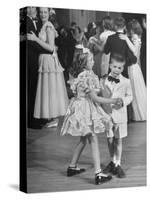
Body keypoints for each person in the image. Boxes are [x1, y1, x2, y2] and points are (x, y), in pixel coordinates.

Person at [60, 47, 122, 185]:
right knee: (93, 139)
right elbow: (96, 98)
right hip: (85, 109)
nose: (94, 62)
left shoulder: (82, 74)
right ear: (84, 63)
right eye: (91, 60)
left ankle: (72, 166)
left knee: (84, 138)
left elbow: (91, 93)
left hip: (80, 106)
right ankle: (98, 173)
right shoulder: (87, 76)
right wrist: (113, 100)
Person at [27, 7, 69, 128]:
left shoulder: (49, 26)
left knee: (50, 89)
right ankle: (50, 117)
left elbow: (51, 48)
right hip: (44, 60)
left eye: (45, 12)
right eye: (41, 12)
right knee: (48, 90)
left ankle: (54, 118)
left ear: (49, 14)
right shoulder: (44, 25)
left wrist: (35, 39)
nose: (43, 14)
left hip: (48, 60)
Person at [20, 7, 53, 128]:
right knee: (32, 90)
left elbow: (44, 42)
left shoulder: (41, 23)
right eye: (29, 7)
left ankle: (39, 118)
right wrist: (48, 50)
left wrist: (49, 48)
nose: (30, 8)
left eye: (33, 7)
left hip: (39, 60)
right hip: (31, 60)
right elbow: (31, 42)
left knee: (38, 90)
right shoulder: (25, 21)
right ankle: (32, 121)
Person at [102, 53, 133, 178]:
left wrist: (123, 101)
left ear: (123, 68)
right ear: (110, 66)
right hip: (108, 115)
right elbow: (101, 95)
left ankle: (118, 164)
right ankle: (112, 161)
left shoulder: (126, 81)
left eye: (120, 68)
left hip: (120, 115)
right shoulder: (103, 79)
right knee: (109, 139)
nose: (117, 69)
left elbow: (130, 96)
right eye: (114, 66)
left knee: (118, 139)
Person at [119, 19, 146, 121]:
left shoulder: (134, 37)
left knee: (134, 91)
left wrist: (126, 39)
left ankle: (138, 115)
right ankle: (139, 114)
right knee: (137, 90)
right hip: (135, 67)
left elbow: (134, 51)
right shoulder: (137, 37)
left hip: (133, 67)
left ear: (132, 29)